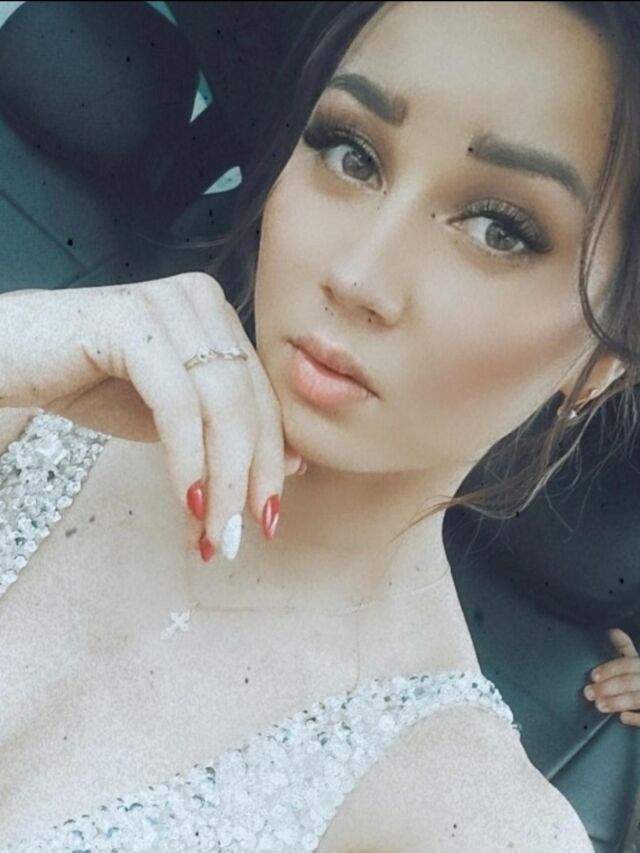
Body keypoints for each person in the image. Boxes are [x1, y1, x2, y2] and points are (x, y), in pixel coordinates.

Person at [0, 0, 638, 849]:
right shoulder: (37, 397)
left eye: (500, 230)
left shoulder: (475, 819)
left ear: (603, 362)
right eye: (351, 152)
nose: (357, 274)